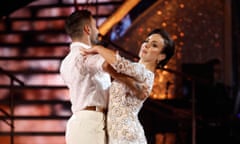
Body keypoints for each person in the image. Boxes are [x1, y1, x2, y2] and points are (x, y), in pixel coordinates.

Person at [80, 28, 175, 144]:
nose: (146, 45)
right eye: (146, 41)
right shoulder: (134, 72)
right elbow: (109, 66)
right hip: (118, 134)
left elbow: (118, 63)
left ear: (161, 57)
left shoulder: (144, 73)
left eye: (154, 45)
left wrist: (97, 48)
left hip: (127, 136)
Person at [59, 10, 112, 144]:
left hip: (79, 124)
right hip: (92, 124)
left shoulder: (65, 62)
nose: (98, 31)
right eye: (95, 26)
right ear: (87, 29)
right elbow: (115, 65)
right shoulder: (88, 56)